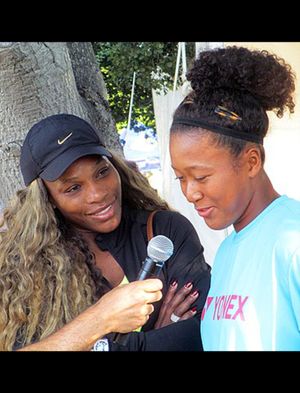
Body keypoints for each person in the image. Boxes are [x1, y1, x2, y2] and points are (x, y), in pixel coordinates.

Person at [0, 113, 211, 351]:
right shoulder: (26, 269)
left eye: (101, 172)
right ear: (48, 200)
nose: (97, 194)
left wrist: (90, 344)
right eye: (73, 188)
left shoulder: (164, 230)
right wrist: (102, 319)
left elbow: (204, 332)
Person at [169, 45, 300, 351]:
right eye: (181, 178)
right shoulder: (227, 250)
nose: (190, 192)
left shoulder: (292, 241)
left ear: (252, 161)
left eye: (201, 177)